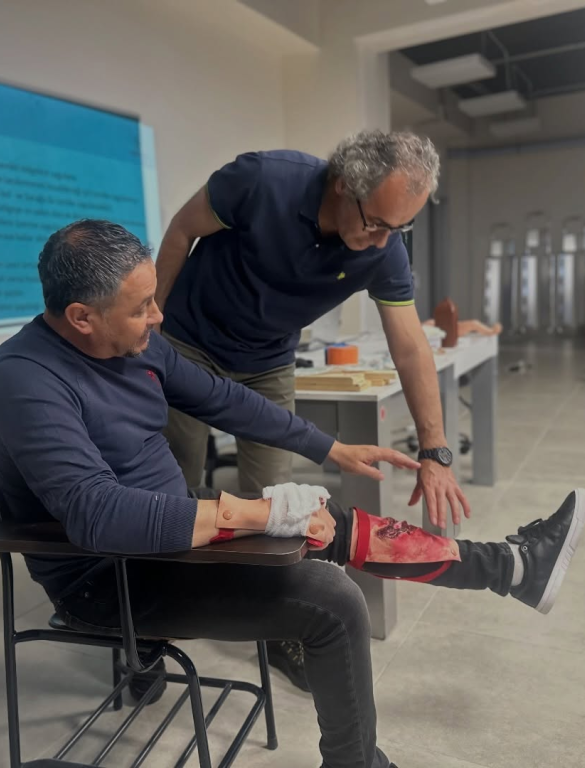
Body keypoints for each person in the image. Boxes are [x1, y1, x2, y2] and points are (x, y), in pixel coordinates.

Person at [0, 220, 585, 768]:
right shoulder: (24, 380)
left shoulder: (134, 343)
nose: (159, 317)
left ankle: (512, 568)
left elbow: (223, 398)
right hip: (109, 576)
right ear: (82, 317)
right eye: (142, 308)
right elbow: (98, 515)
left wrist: (329, 448)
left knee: (326, 518)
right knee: (333, 601)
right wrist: (256, 514)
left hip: (170, 537)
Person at [153, 130, 467, 688]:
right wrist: (149, 330)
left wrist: (435, 450)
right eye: (376, 223)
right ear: (344, 184)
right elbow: (181, 230)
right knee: (171, 487)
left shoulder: (384, 248)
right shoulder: (261, 181)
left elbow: (410, 346)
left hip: (267, 362)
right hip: (188, 345)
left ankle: (276, 627)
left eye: (399, 229)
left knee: (279, 502)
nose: (382, 242)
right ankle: (156, 622)